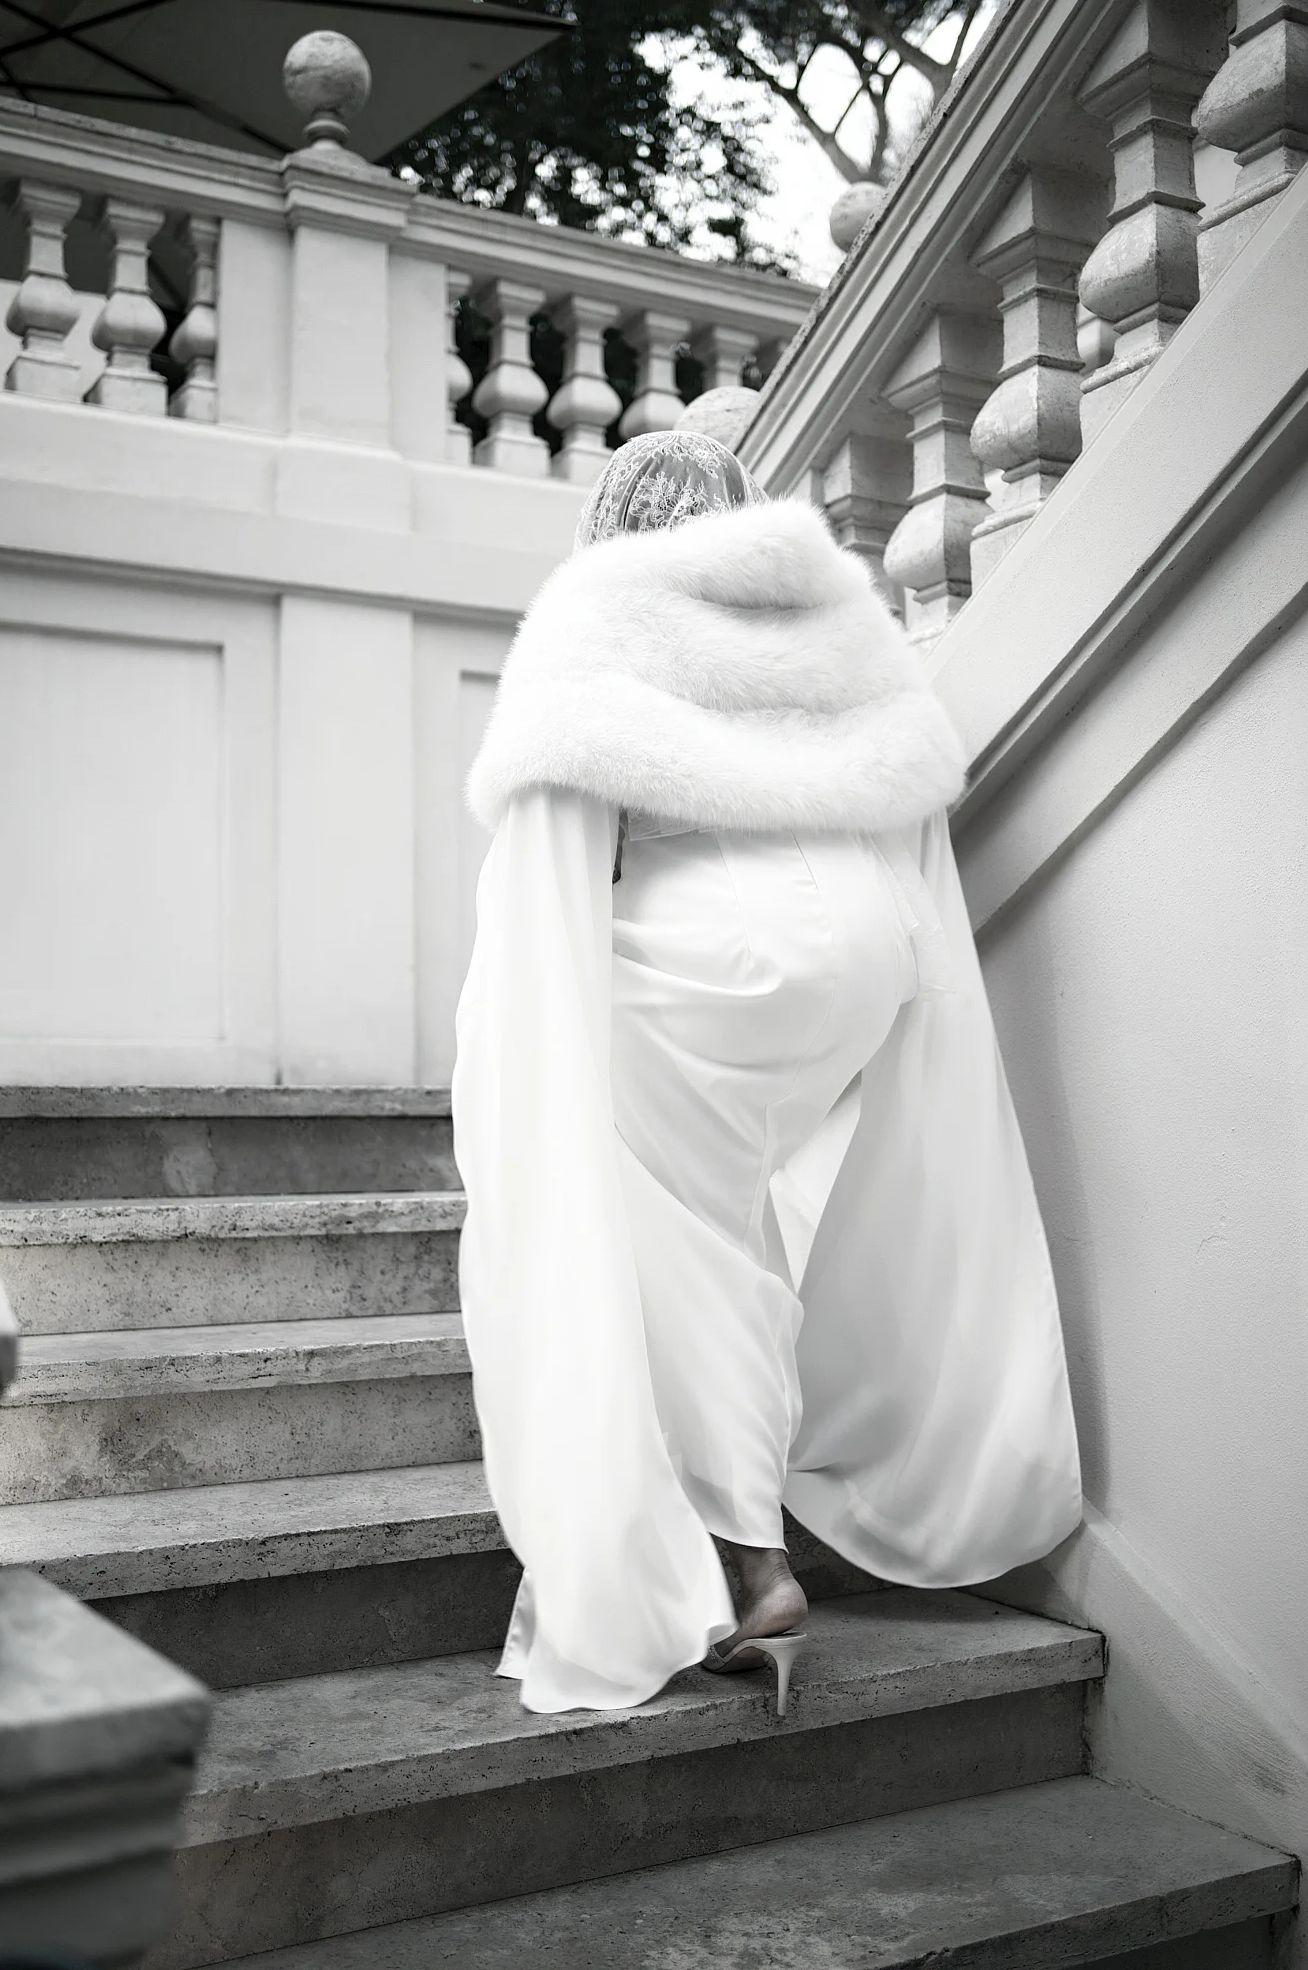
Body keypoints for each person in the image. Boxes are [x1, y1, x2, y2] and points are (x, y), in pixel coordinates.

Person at [452, 429, 1081, 1718]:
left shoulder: (605, 615)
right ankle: (753, 1550)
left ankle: (744, 1559)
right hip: (862, 953)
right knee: (711, 1210)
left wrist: (520, 1080)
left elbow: (542, 882)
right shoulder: (822, 616)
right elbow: (907, 795)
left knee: (593, 1163)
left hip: (724, 959)